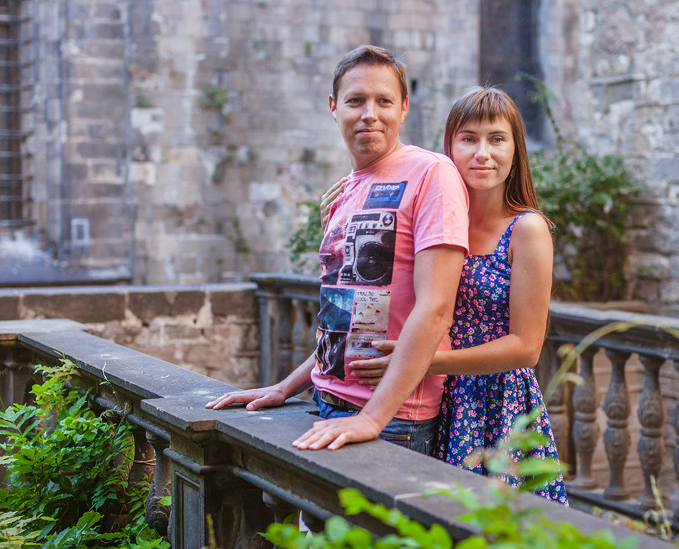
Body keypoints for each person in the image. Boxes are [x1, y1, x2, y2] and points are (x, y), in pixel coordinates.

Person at [206, 45, 469, 455]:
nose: (370, 113)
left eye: (384, 101)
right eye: (355, 100)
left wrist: (373, 418)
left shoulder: (432, 174)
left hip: (392, 418)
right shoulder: (346, 192)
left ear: (404, 108)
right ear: (334, 107)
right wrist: (286, 386)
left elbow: (435, 308)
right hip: (326, 403)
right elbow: (343, 320)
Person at [348, 86, 568, 503]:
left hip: (495, 402)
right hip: (431, 399)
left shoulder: (527, 229)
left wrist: (423, 362)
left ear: (516, 151)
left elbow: (527, 348)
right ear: (447, 149)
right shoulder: (436, 218)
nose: (482, 152)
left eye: (497, 139)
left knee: (492, 531)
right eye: (468, 139)